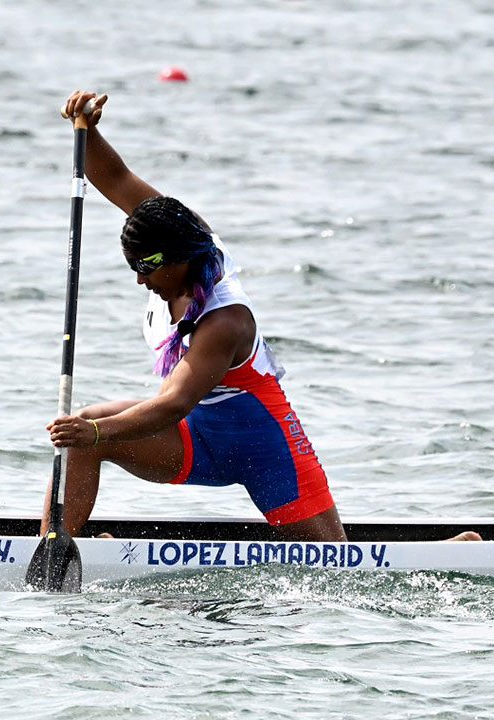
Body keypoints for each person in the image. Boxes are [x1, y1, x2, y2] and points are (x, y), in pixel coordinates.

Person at [43, 91, 347, 542]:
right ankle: (51, 552)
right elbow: (116, 176)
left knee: (338, 567)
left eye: (146, 268)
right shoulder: (170, 232)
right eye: (133, 268)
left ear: (178, 258)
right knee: (80, 442)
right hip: (194, 437)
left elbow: (173, 402)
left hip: (263, 444)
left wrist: (94, 430)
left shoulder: (226, 321)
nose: (141, 281)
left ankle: (452, 549)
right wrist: (87, 129)